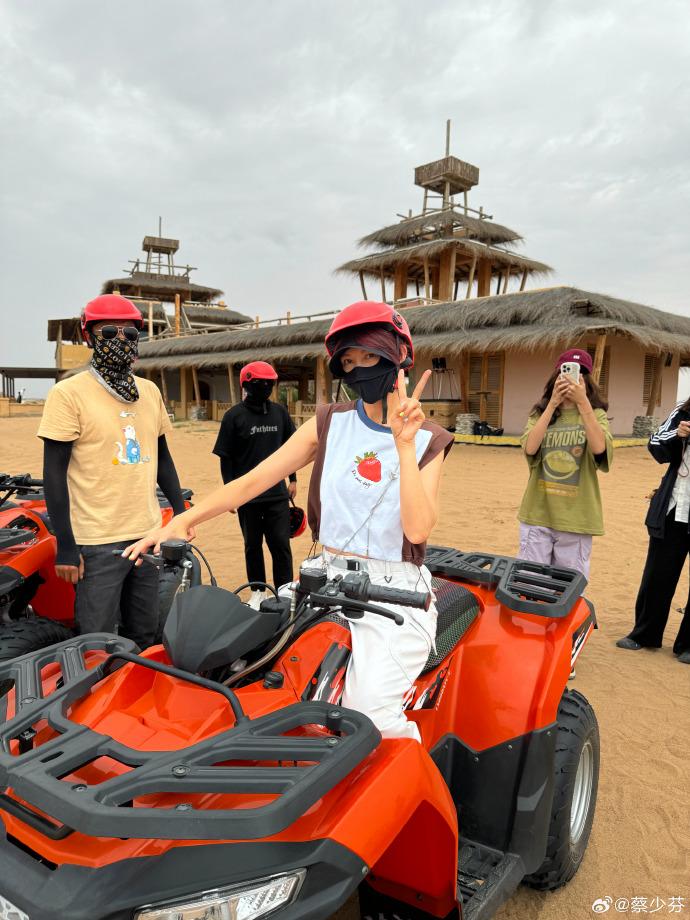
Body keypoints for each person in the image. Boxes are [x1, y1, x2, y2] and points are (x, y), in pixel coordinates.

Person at [125, 301, 454, 740]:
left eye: (368, 357)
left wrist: (404, 447)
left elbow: (418, 530)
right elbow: (251, 482)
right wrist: (182, 520)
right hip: (325, 582)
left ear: (397, 355)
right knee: (250, 672)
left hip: (393, 596)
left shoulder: (428, 439)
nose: (358, 371)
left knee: (369, 716)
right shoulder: (328, 423)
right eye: (348, 362)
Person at [37, 293, 187, 649]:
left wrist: (181, 513)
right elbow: (54, 475)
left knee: (144, 632)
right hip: (96, 541)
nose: (120, 341)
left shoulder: (149, 392)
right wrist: (66, 546)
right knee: (97, 640)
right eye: (108, 333)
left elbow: (162, 458)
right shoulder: (68, 394)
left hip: (147, 535)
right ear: (88, 335)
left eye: (130, 334)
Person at [518, 348, 613, 579]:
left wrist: (583, 404)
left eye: (578, 374)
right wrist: (551, 405)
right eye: (566, 372)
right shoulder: (540, 412)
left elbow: (600, 450)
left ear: (587, 381)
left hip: (577, 519)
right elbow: (530, 448)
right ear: (556, 377)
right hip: (538, 514)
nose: (571, 379)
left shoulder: (596, 414)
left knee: (567, 592)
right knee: (530, 585)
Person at [213, 361, 297, 608]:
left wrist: (293, 479)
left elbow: (291, 450)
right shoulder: (233, 416)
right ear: (246, 385)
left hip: (277, 495)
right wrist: (230, 493)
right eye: (258, 383)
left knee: (281, 545)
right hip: (247, 497)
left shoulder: (280, 413)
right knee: (252, 545)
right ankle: (258, 591)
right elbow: (225, 458)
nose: (264, 387)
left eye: (268, 383)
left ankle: (284, 592)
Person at [616, 403, 690, 664]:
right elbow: (655, 444)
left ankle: (688, 645)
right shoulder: (683, 413)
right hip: (674, 507)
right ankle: (645, 634)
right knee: (658, 573)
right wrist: (678, 435)